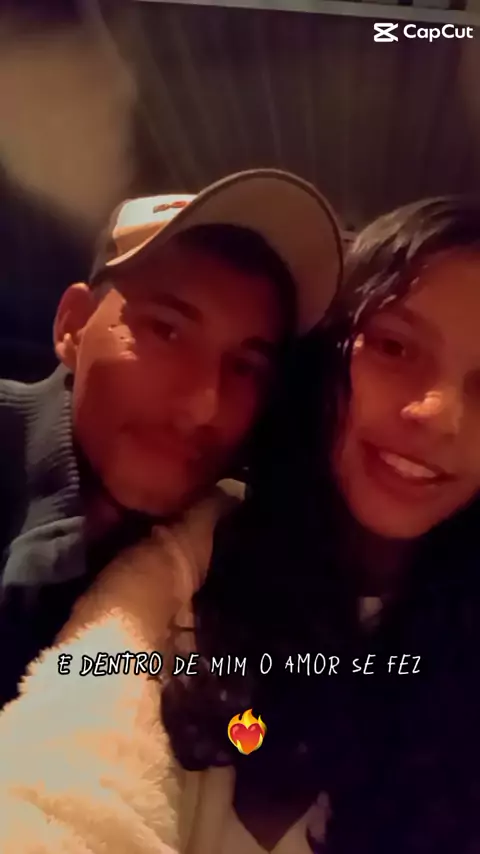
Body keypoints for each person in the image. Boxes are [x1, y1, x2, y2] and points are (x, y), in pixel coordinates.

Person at [2, 195, 480, 854]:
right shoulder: (197, 559)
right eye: (396, 346)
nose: (441, 415)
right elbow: (79, 760)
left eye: (247, 364)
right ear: (72, 324)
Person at [0, 168, 342, 710]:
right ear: (72, 326)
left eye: (246, 366)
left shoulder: (220, 547)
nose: (204, 405)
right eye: (167, 330)